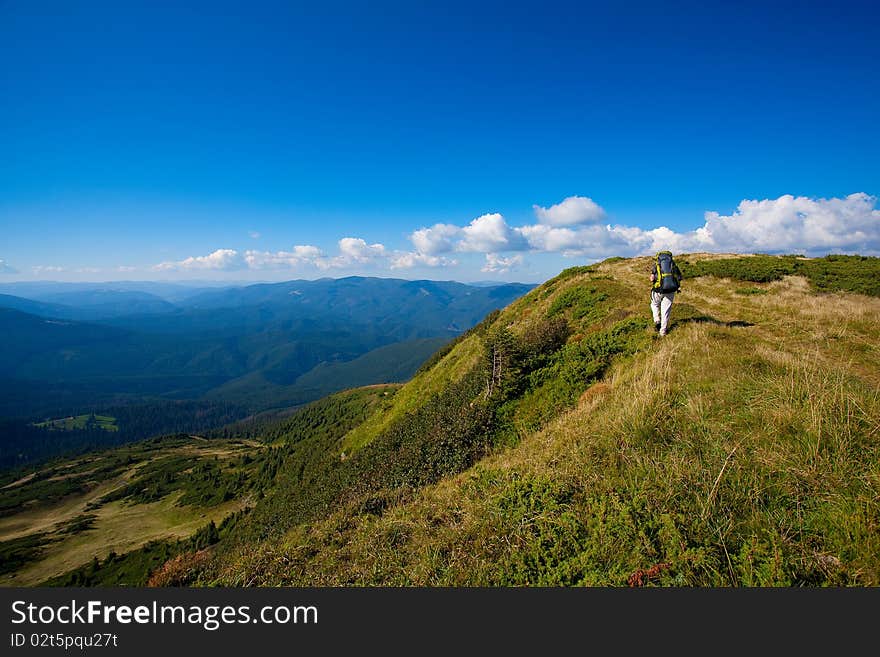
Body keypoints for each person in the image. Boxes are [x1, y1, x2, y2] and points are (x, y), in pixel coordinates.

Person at [649, 251, 682, 337]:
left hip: (658, 290)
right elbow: (679, 277)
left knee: (654, 304)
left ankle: (656, 320)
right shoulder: (673, 265)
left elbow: (652, 279)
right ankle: (662, 332)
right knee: (665, 311)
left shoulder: (656, 265)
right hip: (670, 291)